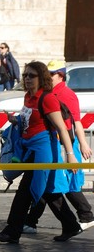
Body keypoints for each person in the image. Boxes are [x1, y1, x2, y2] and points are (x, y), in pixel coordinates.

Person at [0, 61, 82, 245]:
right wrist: (15, 121)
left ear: (42, 78)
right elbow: (29, 121)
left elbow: (62, 129)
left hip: (44, 151)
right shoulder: (28, 97)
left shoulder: (47, 98)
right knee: (49, 191)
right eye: (25, 75)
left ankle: (12, 231)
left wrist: (70, 155)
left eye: (31, 76)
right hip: (29, 149)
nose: (27, 79)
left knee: (25, 191)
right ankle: (71, 225)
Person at [23, 60, 94, 233]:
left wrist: (80, 145)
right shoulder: (46, 93)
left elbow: (75, 121)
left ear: (60, 76)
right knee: (51, 184)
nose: (48, 76)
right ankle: (31, 221)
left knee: (63, 184)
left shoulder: (66, 95)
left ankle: (86, 215)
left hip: (64, 144)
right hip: (54, 143)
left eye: (52, 73)